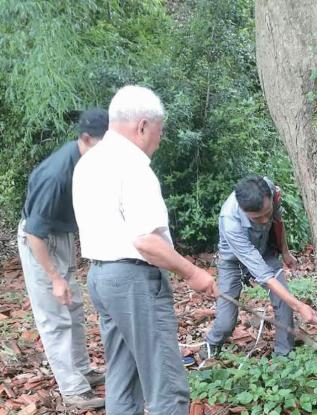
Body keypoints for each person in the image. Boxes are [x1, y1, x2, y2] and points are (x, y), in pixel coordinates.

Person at [72, 85, 218, 415]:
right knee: (167, 386)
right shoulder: (133, 166)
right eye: (159, 131)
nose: (159, 139)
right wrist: (193, 272)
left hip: (101, 277)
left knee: (123, 381)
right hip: (133, 282)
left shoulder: (89, 161)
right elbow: (146, 241)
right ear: (142, 126)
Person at [17, 108, 108, 410]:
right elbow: (34, 234)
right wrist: (55, 277)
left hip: (61, 237)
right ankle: (72, 391)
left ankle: (82, 371)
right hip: (40, 243)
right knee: (55, 317)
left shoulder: (86, 160)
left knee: (74, 307)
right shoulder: (56, 174)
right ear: (85, 139)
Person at [202, 175, 317, 359]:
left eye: (267, 212)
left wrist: (285, 251)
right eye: (258, 218)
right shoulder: (230, 221)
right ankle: (212, 343)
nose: (265, 220)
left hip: (264, 251)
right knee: (226, 321)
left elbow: (278, 222)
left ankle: (284, 356)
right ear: (243, 210)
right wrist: (300, 306)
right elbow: (264, 275)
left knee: (284, 304)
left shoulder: (270, 189)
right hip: (232, 262)